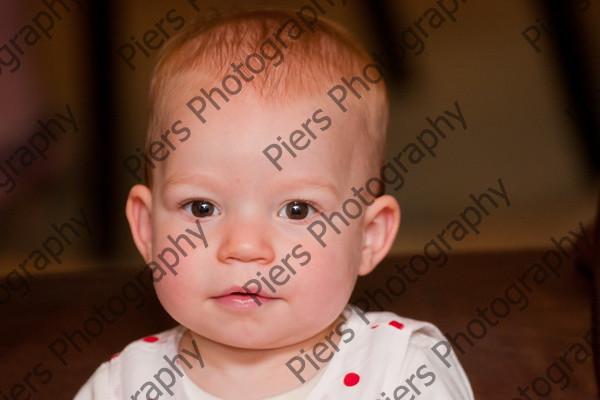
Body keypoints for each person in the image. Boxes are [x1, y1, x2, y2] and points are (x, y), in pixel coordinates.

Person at [76, 8, 473, 400]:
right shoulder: (123, 384)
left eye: (297, 210)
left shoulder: (403, 370)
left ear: (368, 237)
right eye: (201, 208)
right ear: (147, 229)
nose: (244, 247)